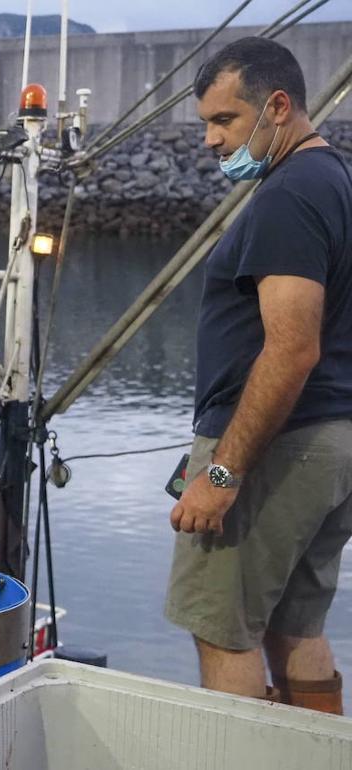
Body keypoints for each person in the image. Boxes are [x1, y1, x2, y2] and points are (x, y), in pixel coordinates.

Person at [165, 37, 352, 715]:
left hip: (278, 447)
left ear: (278, 107)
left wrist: (222, 475)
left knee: (223, 630)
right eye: (207, 125)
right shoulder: (337, 180)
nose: (212, 140)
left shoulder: (287, 195)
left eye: (225, 121)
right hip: (331, 441)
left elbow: (292, 347)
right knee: (295, 626)